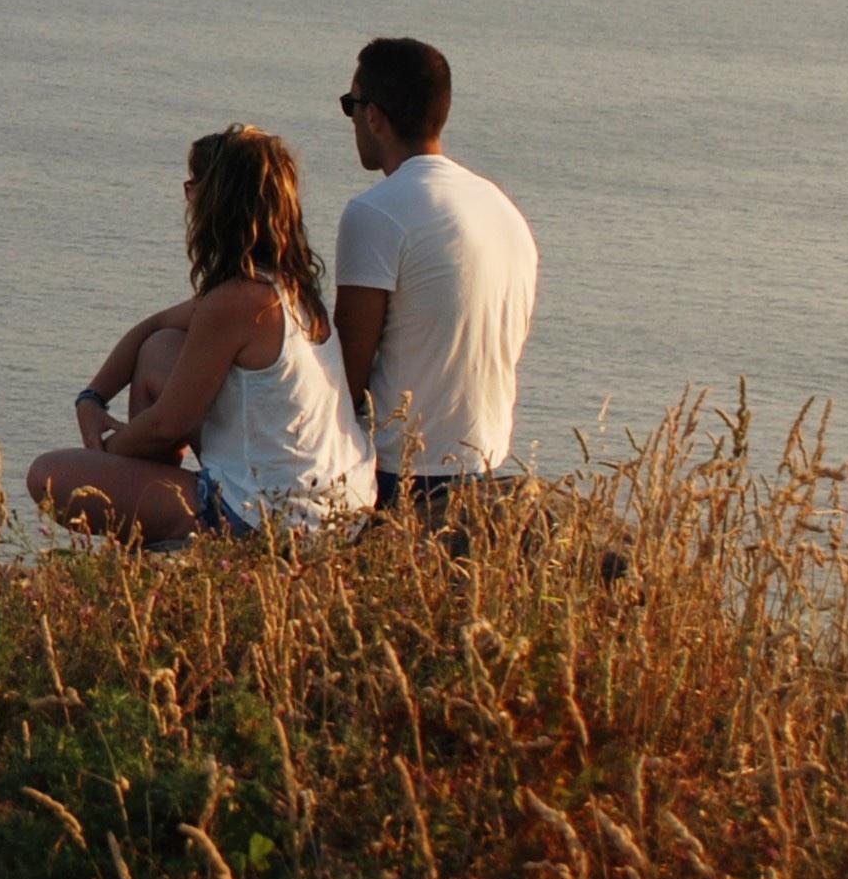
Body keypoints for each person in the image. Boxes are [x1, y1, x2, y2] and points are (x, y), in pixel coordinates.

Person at [28, 124, 378, 545]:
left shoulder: (236, 303)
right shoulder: (287, 287)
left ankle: (159, 538)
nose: (187, 199)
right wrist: (92, 397)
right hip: (340, 505)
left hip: (276, 520)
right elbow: (152, 329)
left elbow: (164, 425)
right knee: (160, 350)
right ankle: (153, 529)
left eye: (193, 187)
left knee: (48, 475)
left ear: (217, 204)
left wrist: (106, 454)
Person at [325, 36, 537, 518]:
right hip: (484, 462)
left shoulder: (374, 214)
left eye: (350, 106)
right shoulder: (503, 210)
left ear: (373, 115)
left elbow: (348, 374)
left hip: (402, 473)